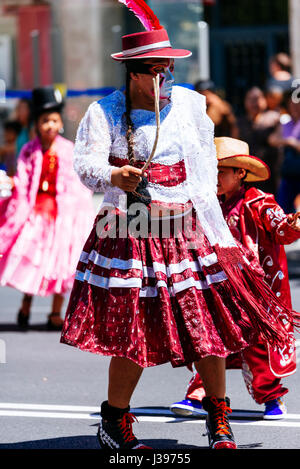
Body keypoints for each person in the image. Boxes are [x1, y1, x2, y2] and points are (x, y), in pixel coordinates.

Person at [60, 0, 299, 451]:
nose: (166, 77)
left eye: (169, 68)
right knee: (135, 334)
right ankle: (114, 421)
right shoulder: (104, 112)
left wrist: (211, 222)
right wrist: (115, 175)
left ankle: (219, 421)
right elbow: (85, 163)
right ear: (134, 73)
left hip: (186, 231)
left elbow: (206, 167)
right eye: (157, 70)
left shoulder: (190, 106)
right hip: (129, 232)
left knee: (208, 328)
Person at [171, 137, 300, 420]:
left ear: (240, 173)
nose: (214, 179)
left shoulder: (257, 201)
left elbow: (279, 228)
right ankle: (199, 394)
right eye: (210, 172)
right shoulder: (207, 203)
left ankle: (271, 398)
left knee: (258, 347)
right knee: (212, 340)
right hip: (219, 286)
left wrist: (291, 224)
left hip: (254, 290)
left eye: (220, 172)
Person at [0, 86, 94, 329]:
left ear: (60, 122)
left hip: (62, 217)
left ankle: (55, 312)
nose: (49, 126)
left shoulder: (68, 150)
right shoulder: (29, 150)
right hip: (36, 214)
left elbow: (77, 184)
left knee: (61, 263)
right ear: (37, 123)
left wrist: (78, 214)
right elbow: (23, 178)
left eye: (54, 120)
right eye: (44, 121)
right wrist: (13, 184)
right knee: (33, 259)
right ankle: (26, 304)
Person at [237, 87, 281, 195]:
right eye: (251, 99)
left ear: (264, 100)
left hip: (271, 170)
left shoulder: (274, 118)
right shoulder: (239, 122)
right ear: (245, 102)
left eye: (257, 99)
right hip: (248, 172)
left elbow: (279, 140)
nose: (254, 103)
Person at [269, 87, 300, 213]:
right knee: (283, 211)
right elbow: (272, 139)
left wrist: (294, 144)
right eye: (293, 105)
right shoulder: (285, 123)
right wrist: (288, 142)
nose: (296, 108)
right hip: (288, 175)